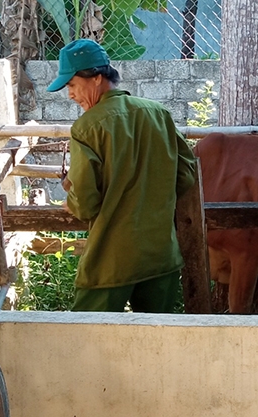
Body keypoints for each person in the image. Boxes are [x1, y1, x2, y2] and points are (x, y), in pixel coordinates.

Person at [47, 38, 197, 313]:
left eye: (71, 85)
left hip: (110, 263)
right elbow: (186, 175)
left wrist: (73, 202)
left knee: (88, 344)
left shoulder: (86, 128)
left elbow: (86, 202)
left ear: (96, 78)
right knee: (156, 344)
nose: (70, 94)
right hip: (160, 258)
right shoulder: (159, 114)